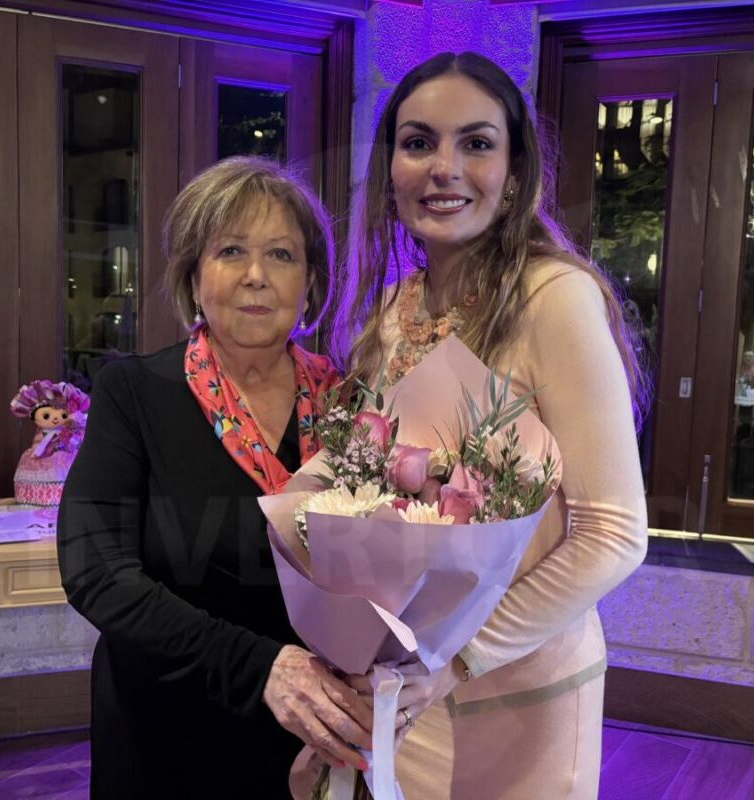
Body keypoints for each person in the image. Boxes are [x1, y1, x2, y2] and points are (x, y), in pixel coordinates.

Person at [331, 52, 650, 799]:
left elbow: (614, 534)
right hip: (406, 694)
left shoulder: (554, 297)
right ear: (390, 171)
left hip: (519, 693)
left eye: (476, 142)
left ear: (514, 175)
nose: (443, 168)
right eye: (418, 143)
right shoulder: (393, 311)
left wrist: (457, 658)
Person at [57, 156, 372, 800]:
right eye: (231, 250)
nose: (257, 275)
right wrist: (262, 668)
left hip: (314, 737)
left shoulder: (352, 406)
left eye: (281, 254)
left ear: (311, 281)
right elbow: (96, 572)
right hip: (170, 733)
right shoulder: (135, 392)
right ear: (194, 278)